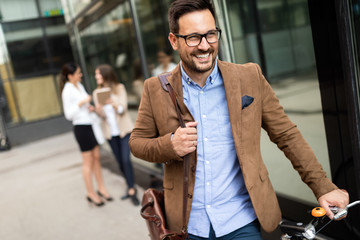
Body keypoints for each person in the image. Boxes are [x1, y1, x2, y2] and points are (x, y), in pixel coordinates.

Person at [129, 0, 350, 239]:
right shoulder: (155, 89)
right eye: (193, 37)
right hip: (187, 226)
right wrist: (169, 145)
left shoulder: (249, 77)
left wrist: (323, 187)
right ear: (174, 41)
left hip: (241, 221)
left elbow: (287, 135)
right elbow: (137, 142)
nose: (205, 46)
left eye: (210, 35)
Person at [60, 63, 112, 207]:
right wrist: (81, 103)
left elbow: (83, 108)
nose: (81, 75)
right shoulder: (67, 90)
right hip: (81, 128)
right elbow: (68, 114)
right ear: (70, 76)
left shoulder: (79, 86)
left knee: (96, 158)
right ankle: (91, 193)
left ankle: (101, 188)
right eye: (78, 73)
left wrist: (88, 107)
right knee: (87, 162)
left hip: (90, 125)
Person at [93, 64, 140, 206]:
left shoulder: (119, 88)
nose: (96, 77)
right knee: (120, 162)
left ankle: (132, 189)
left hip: (123, 131)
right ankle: (129, 185)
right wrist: (99, 109)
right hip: (110, 134)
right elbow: (101, 116)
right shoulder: (96, 93)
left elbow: (123, 109)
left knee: (126, 160)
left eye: (98, 75)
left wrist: (112, 102)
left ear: (105, 75)